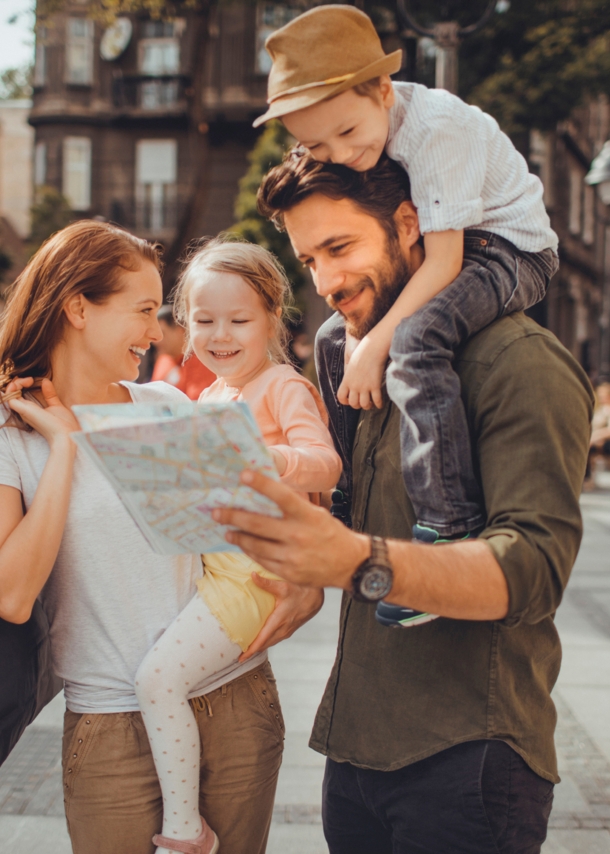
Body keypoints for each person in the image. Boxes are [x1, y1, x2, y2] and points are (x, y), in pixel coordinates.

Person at [212, 150, 593, 854]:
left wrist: (360, 561)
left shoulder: (518, 361)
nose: (325, 280)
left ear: (410, 225)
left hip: (470, 758)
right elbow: (352, 515)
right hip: (353, 751)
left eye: (341, 247)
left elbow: (534, 573)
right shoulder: (340, 353)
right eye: (309, 258)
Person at [0, 221, 322, 854]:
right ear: (77, 308)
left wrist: (304, 580)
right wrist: (66, 447)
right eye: (145, 311)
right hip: (110, 722)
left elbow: (249, 529)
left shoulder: (168, 405)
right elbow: (12, 593)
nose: (159, 332)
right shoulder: (14, 435)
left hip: (236, 700)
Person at [253, 6, 559, 630]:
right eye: (316, 146)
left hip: (508, 247)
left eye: (344, 134)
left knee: (417, 340)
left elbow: (445, 260)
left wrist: (377, 349)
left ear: (384, 90)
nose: (342, 157)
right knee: (333, 338)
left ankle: (448, 524)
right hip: (459, 246)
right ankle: (346, 505)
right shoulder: (350, 132)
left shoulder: (436, 130)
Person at [134, 237, 341, 854]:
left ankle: (185, 827)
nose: (219, 334)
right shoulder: (210, 398)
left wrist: (269, 455)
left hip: (253, 574)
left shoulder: (282, 386)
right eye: (203, 320)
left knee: (157, 678)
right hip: (216, 562)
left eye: (239, 320)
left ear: (273, 318)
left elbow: (326, 464)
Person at [151, 304, 215, 399]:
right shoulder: (163, 360)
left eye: (163, 333)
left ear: (180, 331)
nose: (156, 341)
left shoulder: (204, 360)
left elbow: (197, 401)